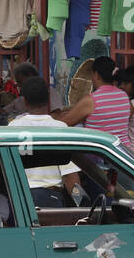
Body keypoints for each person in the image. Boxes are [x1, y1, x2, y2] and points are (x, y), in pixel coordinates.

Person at [9, 76, 82, 208]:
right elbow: (70, 176)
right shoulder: (60, 129)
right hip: (50, 200)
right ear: (48, 99)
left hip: (19, 201)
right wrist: (83, 206)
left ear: (24, 101)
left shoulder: (12, 128)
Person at [55, 57, 130, 144]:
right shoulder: (124, 96)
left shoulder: (91, 100)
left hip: (101, 153)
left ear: (96, 75)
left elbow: (62, 123)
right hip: (123, 152)